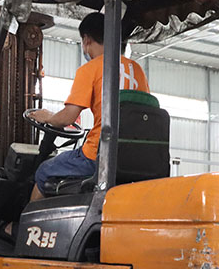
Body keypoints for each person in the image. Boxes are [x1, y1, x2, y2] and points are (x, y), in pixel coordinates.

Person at [28, 12, 150, 201]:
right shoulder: (137, 70)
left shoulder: (90, 69)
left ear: (86, 40)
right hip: (133, 158)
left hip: (98, 157)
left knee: (44, 171)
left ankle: (28, 230)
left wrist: (47, 117)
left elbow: (68, 117)